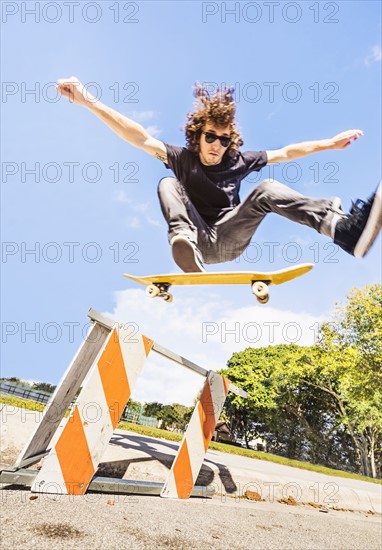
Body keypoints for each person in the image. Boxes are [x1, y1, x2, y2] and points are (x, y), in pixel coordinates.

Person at [56, 77, 381, 272]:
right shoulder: (180, 158)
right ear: (197, 135)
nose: (217, 145)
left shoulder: (238, 160)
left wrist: (329, 144)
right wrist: (89, 102)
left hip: (229, 238)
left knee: (266, 188)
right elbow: (138, 136)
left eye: (224, 140)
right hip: (194, 242)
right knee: (169, 182)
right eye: (210, 136)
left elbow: (286, 152)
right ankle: (184, 242)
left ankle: (343, 231)